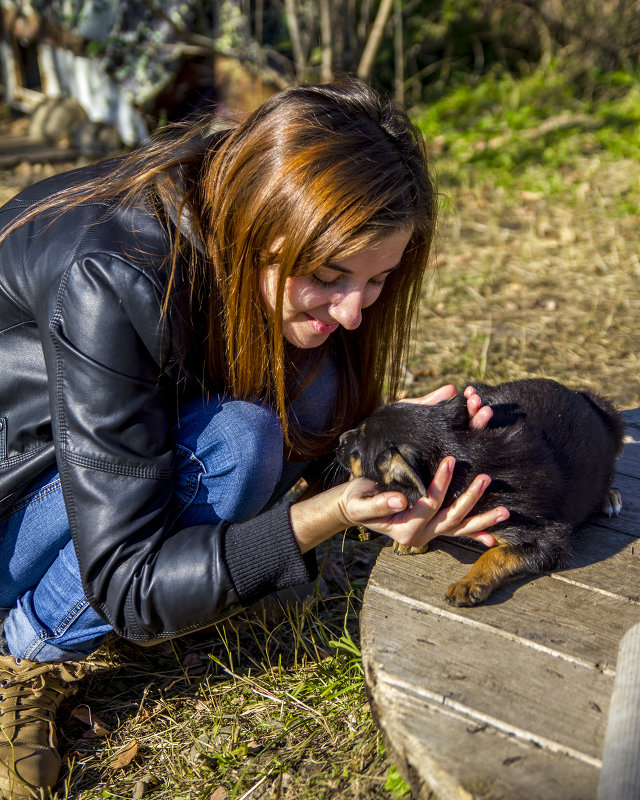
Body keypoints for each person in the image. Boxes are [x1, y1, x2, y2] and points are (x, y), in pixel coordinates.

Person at [0, 77, 507, 798]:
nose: (356, 312)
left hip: (91, 473)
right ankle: (23, 649)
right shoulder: (114, 275)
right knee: (238, 441)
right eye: (330, 276)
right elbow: (130, 585)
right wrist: (320, 517)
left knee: (318, 388)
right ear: (266, 226)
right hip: (13, 501)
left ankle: (206, 567)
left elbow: (325, 435)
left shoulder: (244, 198)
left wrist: (397, 475)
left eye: (378, 280)